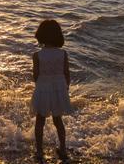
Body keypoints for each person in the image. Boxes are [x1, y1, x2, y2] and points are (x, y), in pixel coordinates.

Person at [31, 19, 72, 162]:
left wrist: (41, 86)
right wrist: (65, 88)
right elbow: (67, 74)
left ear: (40, 35)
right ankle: (63, 148)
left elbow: (36, 75)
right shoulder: (63, 54)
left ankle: (40, 151)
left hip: (43, 88)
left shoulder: (37, 55)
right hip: (59, 89)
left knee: (40, 120)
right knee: (58, 120)